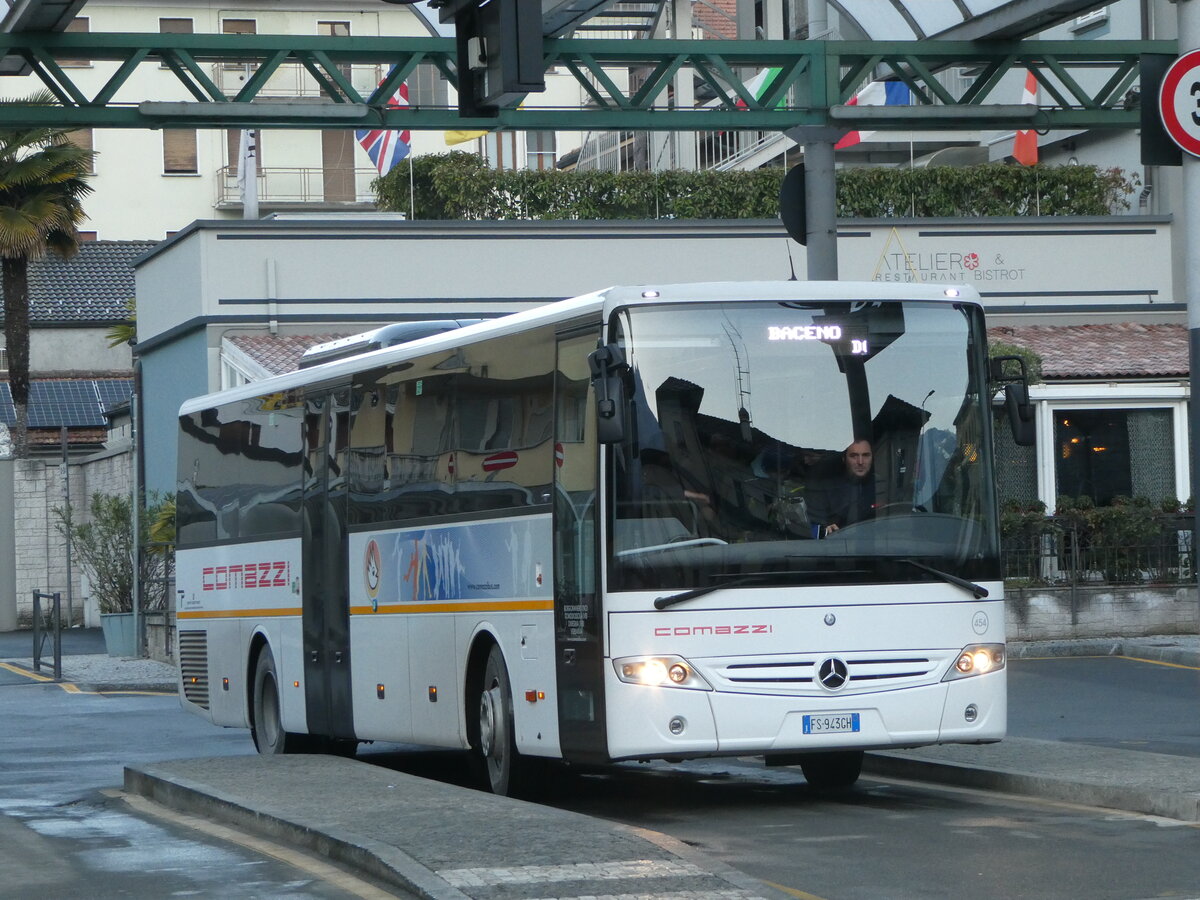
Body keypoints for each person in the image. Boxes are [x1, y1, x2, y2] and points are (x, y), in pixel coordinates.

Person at [809, 438, 875, 535]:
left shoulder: (883, 484)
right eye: (854, 456)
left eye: (866, 455)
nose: (860, 462)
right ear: (844, 459)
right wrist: (825, 530)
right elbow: (811, 527)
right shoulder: (825, 487)